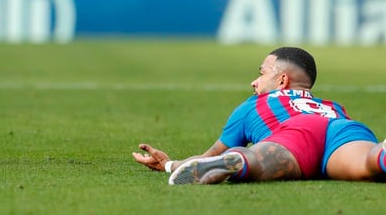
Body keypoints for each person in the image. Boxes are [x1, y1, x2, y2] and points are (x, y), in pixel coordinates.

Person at [133, 47, 386, 184]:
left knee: (254, 160)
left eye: (262, 73)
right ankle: (382, 152)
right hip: (342, 128)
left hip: (296, 134)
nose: (254, 82)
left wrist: (169, 164)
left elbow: (209, 156)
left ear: (282, 80)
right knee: (370, 163)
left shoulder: (254, 105)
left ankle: (239, 161)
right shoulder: (332, 105)